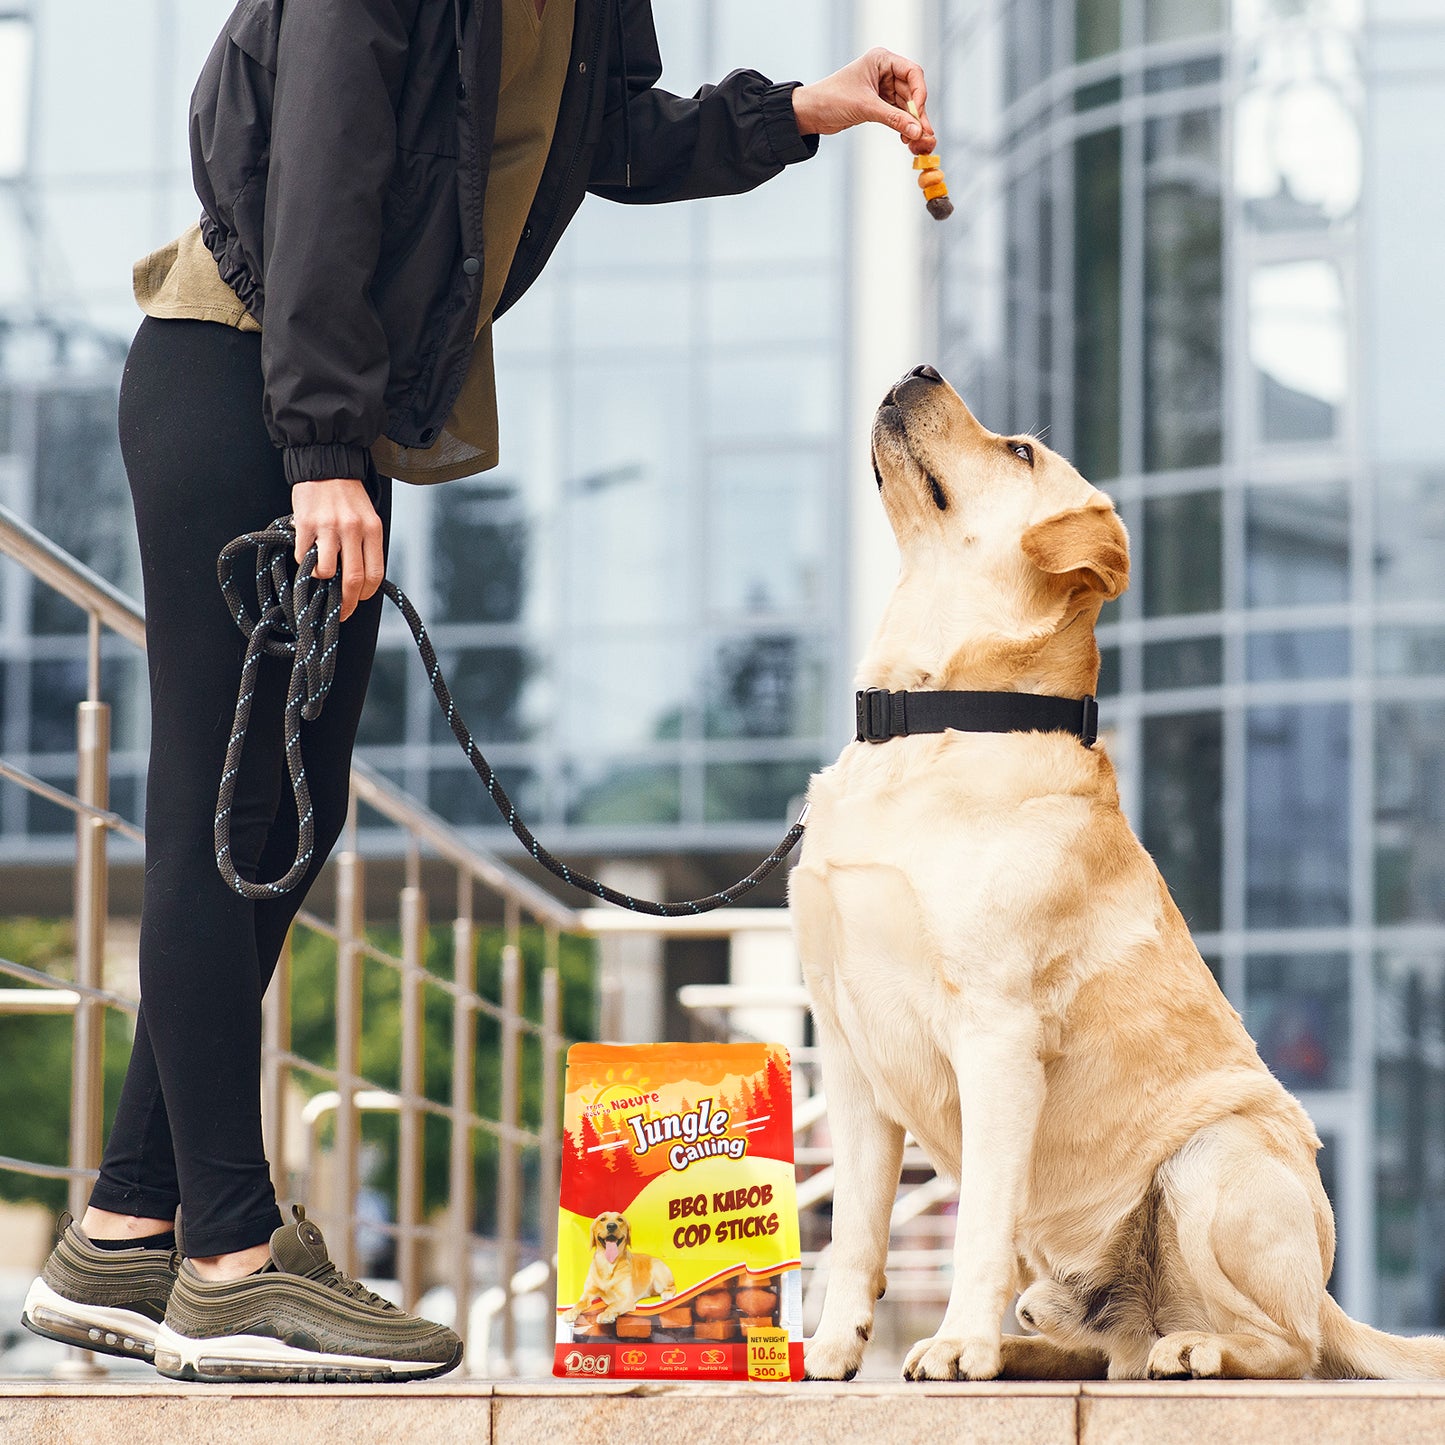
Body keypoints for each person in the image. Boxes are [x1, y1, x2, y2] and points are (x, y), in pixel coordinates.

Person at [21, 0, 937, 1384]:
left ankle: (125, 1216)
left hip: (318, 411)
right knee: (231, 811)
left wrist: (802, 109)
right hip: (244, 382)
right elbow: (324, 154)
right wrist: (322, 445)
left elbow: (615, 132)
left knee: (287, 822)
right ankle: (226, 1254)